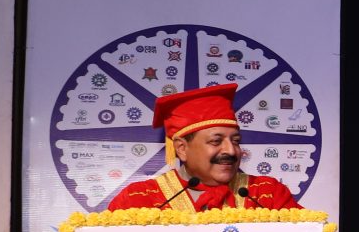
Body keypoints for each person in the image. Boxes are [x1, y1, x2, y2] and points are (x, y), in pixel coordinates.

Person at [107, 83, 302, 211]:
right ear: (182, 148)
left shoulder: (266, 194)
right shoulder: (139, 200)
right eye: (216, 141)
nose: (231, 151)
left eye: (235, 141)